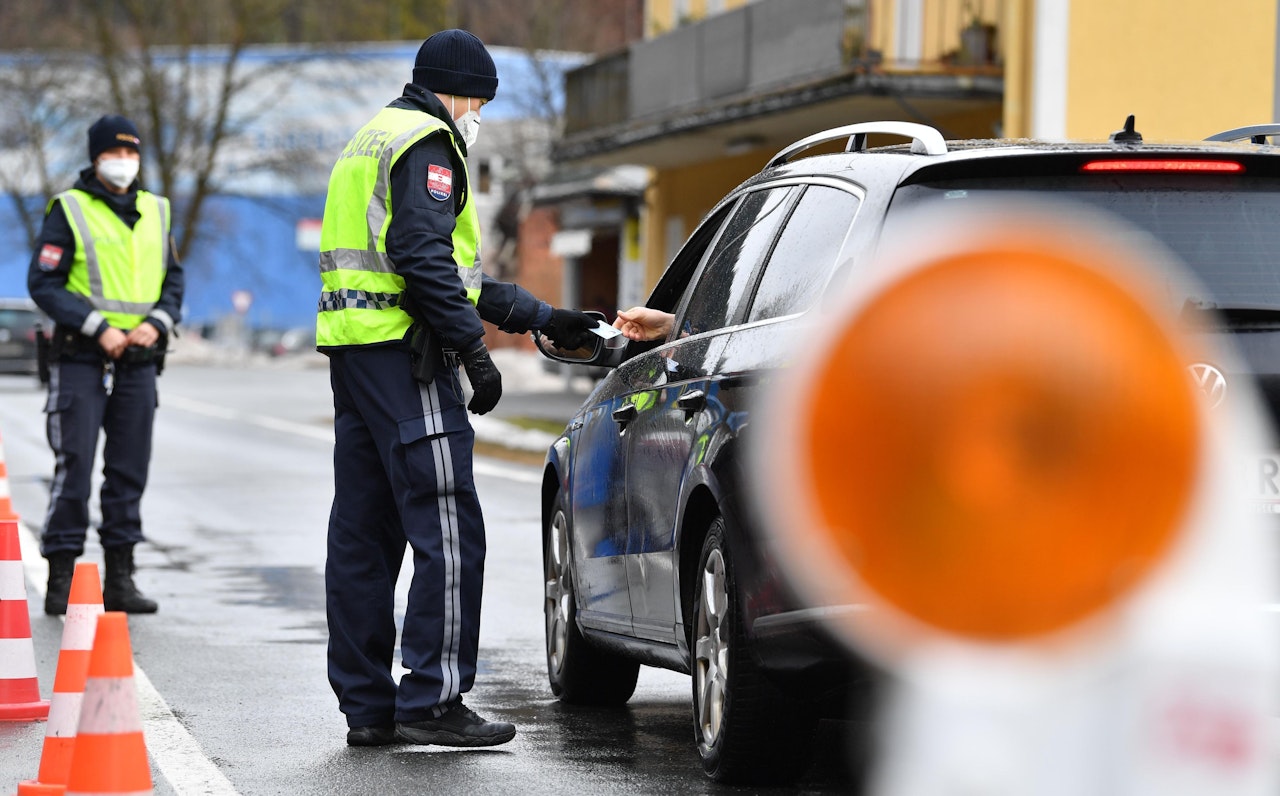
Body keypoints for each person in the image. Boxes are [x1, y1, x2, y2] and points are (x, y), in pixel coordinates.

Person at [316, 29, 599, 748]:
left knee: (363, 532)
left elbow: (454, 272)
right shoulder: (428, 143)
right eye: (479, 99)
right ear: (457, 89)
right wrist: (473, 353)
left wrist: (543, 316)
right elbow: (421, 257)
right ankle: (432, 700)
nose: (480, 113)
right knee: (446, 522)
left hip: (357, 357)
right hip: (409, 362)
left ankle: (369, 707)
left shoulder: (371, 137)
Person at [27, 114, 182, 616]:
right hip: (81, 357)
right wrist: (99, 326)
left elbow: (173, 282)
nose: (125, 162)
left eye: (132, 153)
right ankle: (62, 576)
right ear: (95, 158)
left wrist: (156, 322)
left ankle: (120, 578)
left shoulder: (157, 210)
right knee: (74, 469)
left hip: (139, 360)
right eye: (116, 153)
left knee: (128, 470)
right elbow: (44, 283)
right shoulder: (68, 210)